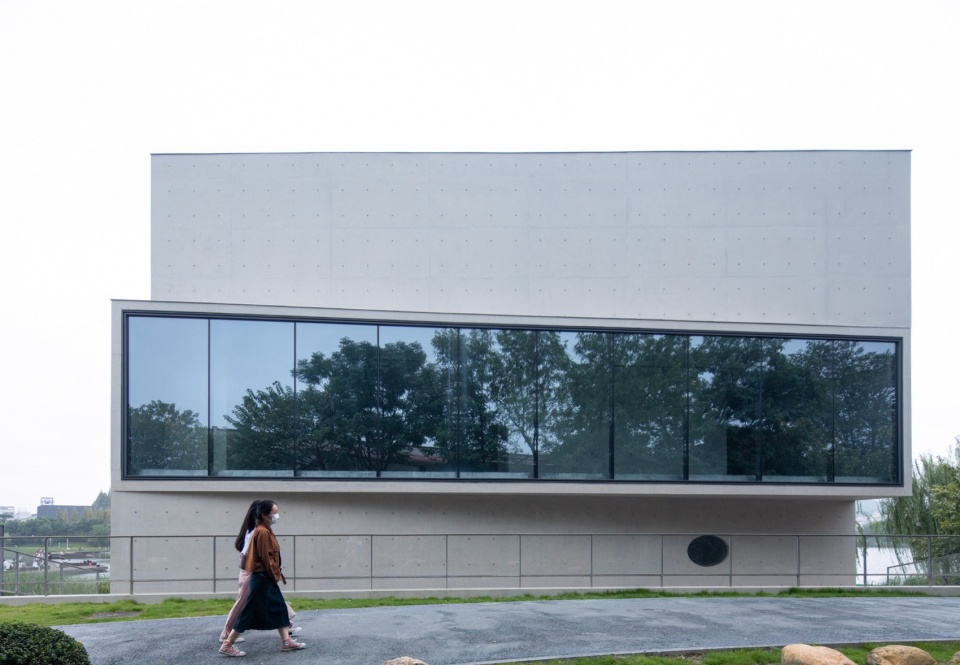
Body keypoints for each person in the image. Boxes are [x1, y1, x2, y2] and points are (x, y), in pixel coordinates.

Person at [219, 500, 305, 657]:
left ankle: (286, 641)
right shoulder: (263, 532)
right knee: (248, 612)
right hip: (263, 577)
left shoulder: (264, 530)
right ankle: (227, 644)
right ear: (264, 515)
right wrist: (275, 574)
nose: (277, 515)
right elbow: (266, 558)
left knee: (280, 608)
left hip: (264, 577)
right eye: (274, 512)